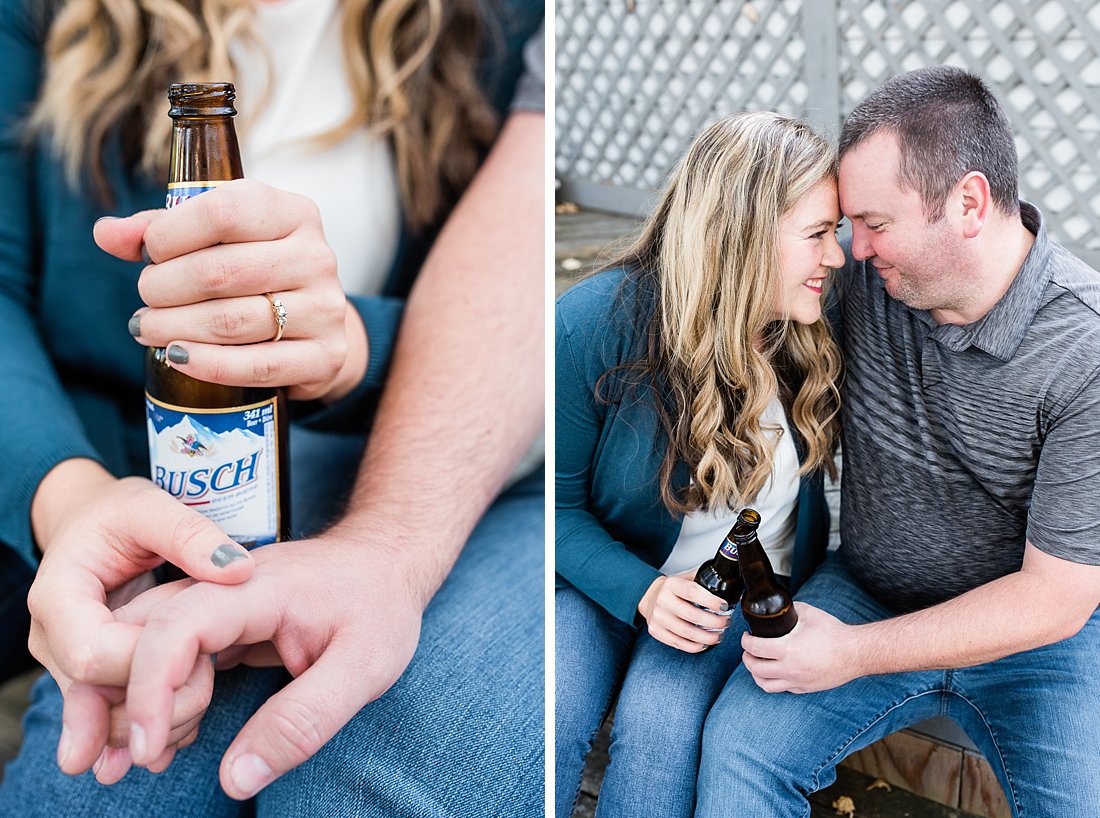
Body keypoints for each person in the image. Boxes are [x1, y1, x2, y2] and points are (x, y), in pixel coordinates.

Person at [0, 0, 544, 815]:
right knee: (103, 788)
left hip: (363, 450)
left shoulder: (494, 22)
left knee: (367, 769)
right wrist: (69, 498)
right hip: (91, 472)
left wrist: (348, 347)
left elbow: (504, 302)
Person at [696, 66, 1100, 818]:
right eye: (847, 225)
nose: (851, 248)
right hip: (869, 593)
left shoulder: (1085, 351)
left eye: (875, 224)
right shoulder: (868, 287)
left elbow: (1059, 598)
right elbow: (733, 285)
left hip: (1039, 645)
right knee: (739, 753)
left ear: (969, 204)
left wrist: (851, 654)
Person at [555, 111, 845, 818]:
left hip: (732, 603)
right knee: (550, 702)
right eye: (816, 235)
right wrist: (645, 594)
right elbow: (549, 508)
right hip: (603, 579)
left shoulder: (808, 327)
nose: (835, 257)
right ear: (740, 238)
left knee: (659, 728)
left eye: (833, 233)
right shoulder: (593, 324)